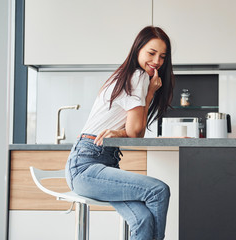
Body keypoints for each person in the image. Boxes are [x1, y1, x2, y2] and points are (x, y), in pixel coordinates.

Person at [65, 26, 174, 240]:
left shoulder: (134, 77)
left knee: (142, 219)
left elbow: (136, 132)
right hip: (86, 165)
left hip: (100, 162)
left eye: (162, 56)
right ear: (137, 50)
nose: (157, 61)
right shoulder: (137, 76)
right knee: (158, 191)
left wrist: (150, 94)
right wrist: (148, 94)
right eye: (151, 53)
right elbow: (135, 132)